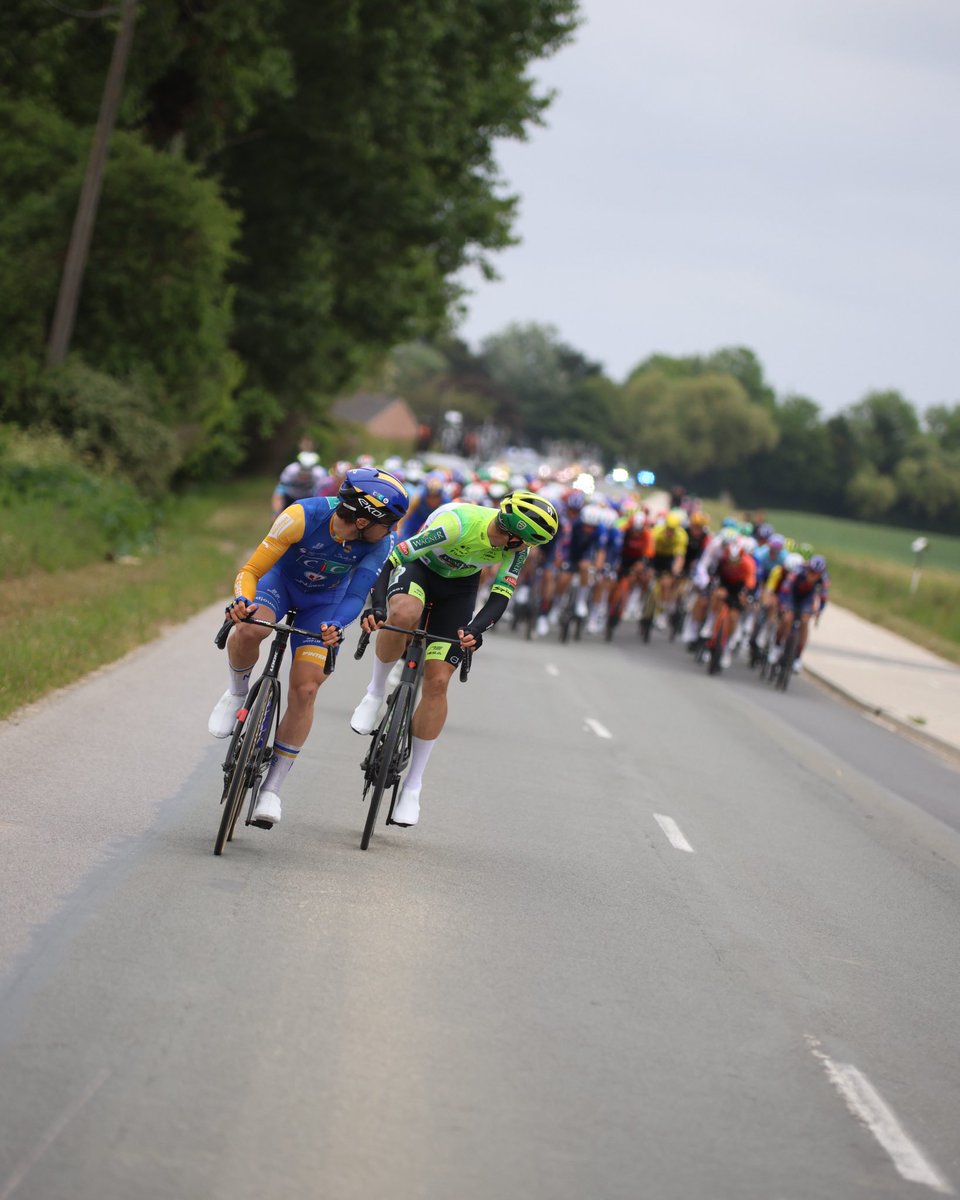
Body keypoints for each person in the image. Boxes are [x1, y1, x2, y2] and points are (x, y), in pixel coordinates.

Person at [208, 468, 409, 827]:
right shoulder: (301, 515)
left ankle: (272, 789)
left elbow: (355, 595)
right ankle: (236, 692)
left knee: (306, 687)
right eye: (389, 522)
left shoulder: (380, 544)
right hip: (280, 584)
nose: (392, 530)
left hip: (326, 604)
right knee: (249, 629)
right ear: (364, 519)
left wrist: (336, 626)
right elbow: (252, 570)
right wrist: (242, 600)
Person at [349, 489, 560, 828]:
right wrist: (376, 604)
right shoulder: (456, 524)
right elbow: (393, 560)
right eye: (523, 543)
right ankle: (375, 692)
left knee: (438, 681)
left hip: (459, 589)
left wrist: (476, 629)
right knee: (403, 615)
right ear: (510, 534)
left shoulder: (518, 549)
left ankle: (413, 787)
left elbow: (499, 596)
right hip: (419, 568)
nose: (525, 550)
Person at [271, 450, 326, 516]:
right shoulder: (290, 471)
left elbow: (322, 496)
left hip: (309, 499)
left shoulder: (319, 474)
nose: (305, 474)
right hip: (290, 497)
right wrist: (276, 513)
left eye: (308, 471)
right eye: (303, 470)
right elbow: (279, 493)